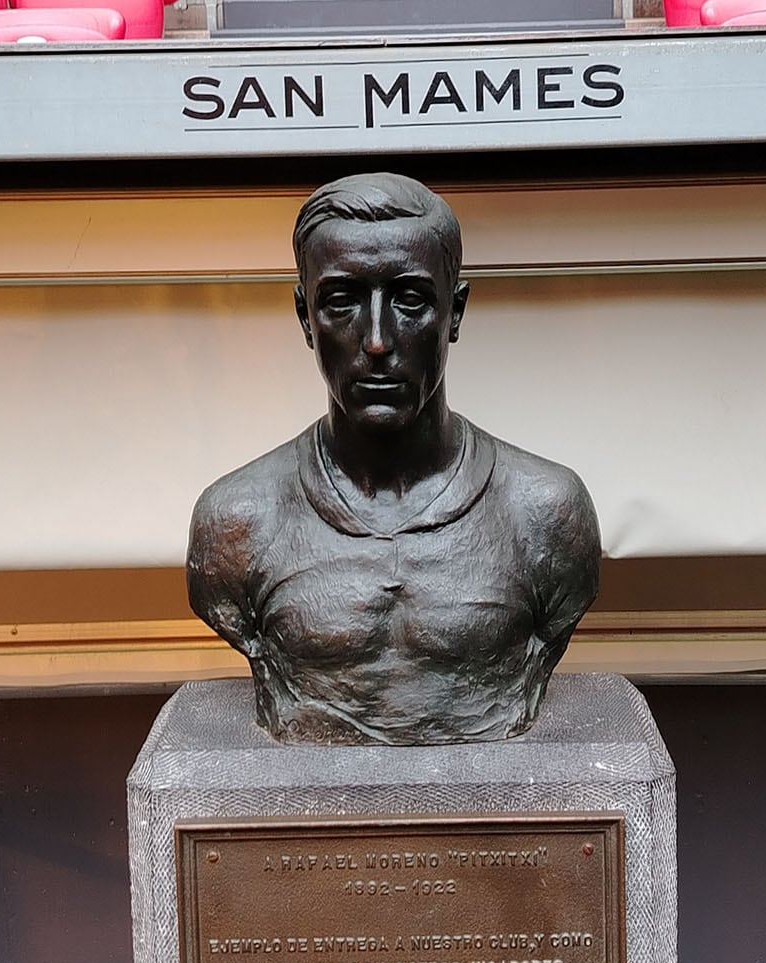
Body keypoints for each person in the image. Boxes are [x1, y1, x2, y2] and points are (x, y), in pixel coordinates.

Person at [187, 172, 601, 745]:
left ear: (453, 314)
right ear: (306, 317)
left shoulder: (547, 512)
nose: (378, 341)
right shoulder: (235, 522)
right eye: (342, 302)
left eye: (409, 301)